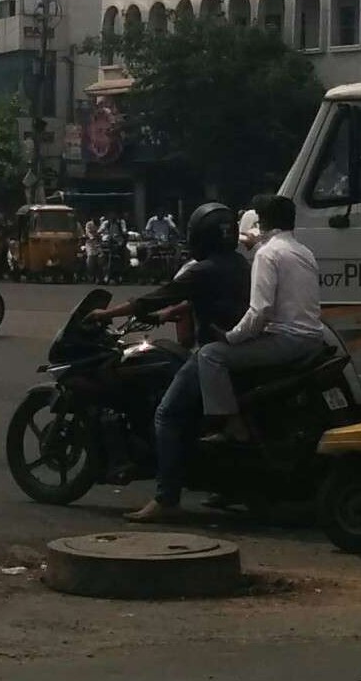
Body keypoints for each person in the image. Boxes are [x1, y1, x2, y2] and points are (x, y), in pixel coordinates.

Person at [89, 202, 251, 524]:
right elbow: (195, 299)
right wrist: (165, 315)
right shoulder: (239, 264)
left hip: (213, 352)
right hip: (240, 349)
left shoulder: (201, 270)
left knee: (166, 414)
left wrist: (106, 314)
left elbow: (156, 296)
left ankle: (166, 498)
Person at [197, 194, 324, 437]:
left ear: (262, 223)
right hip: (313, 339)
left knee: (210, 355)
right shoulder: (302, 251)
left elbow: (260, 310)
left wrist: (231, 337)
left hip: (288, 342)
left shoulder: (267, 254)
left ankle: (231, 427)